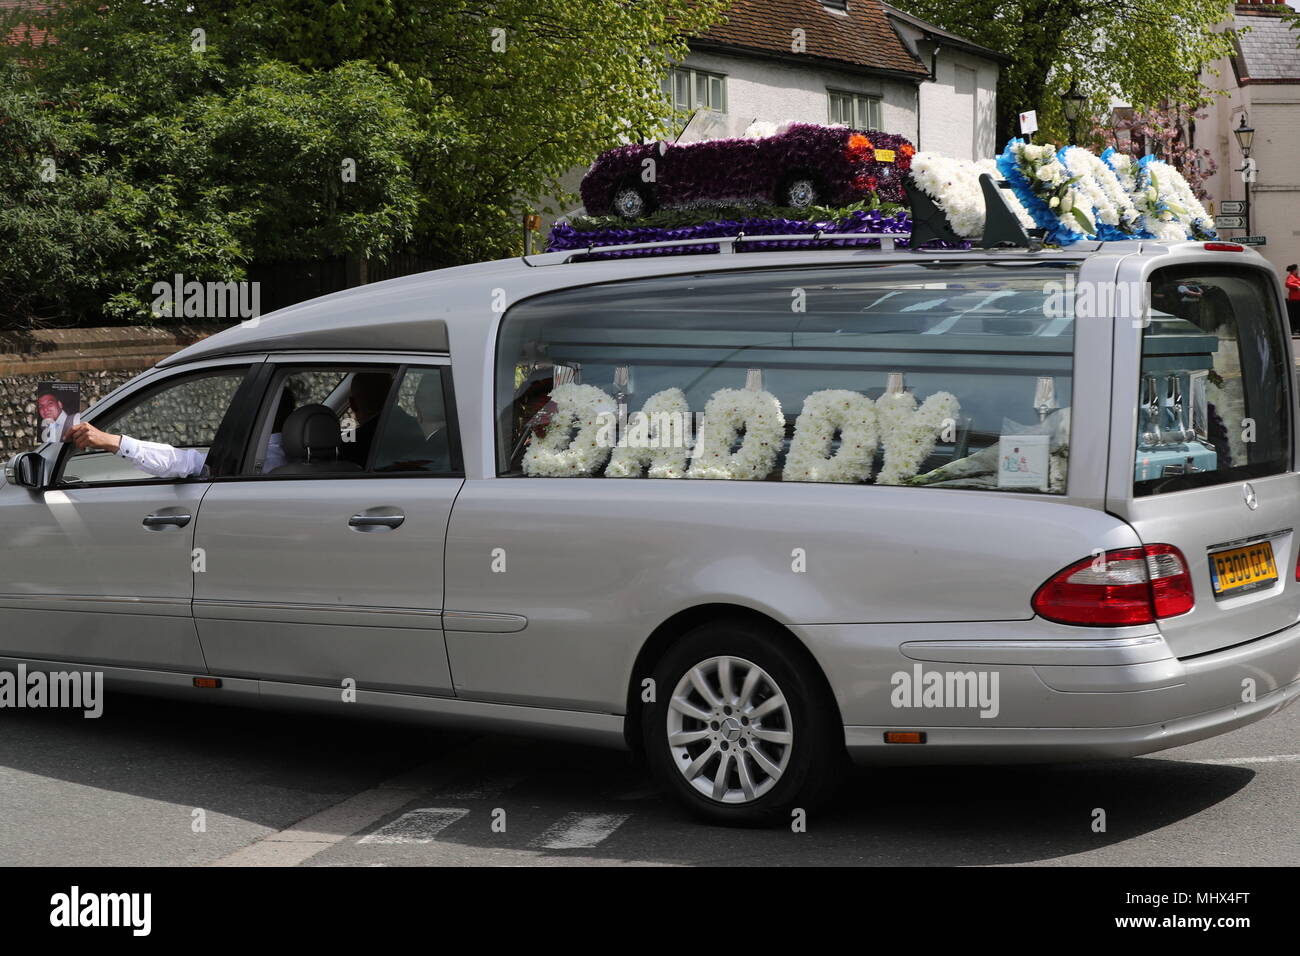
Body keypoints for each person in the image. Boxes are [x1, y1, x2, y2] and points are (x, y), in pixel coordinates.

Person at [1285, 264, 1300, 336]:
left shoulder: (1297, 278)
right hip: (1294, 300)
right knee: (1294, 315)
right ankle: (1293, 330)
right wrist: (1297, 286)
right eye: (1297, 269)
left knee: (1298, 315)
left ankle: (1297, 329)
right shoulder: (1291, 277)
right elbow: (1287, 284)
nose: (1298, 270)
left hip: (1298, 300)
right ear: (1294, 270)